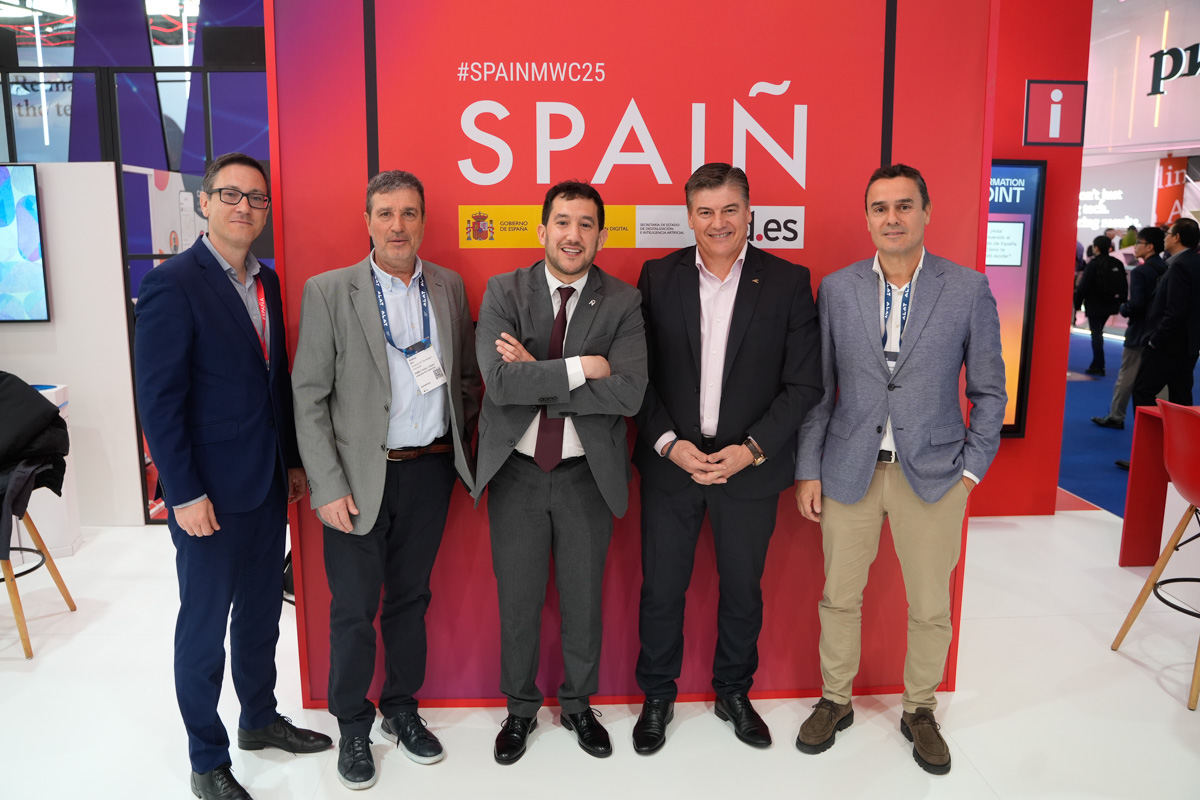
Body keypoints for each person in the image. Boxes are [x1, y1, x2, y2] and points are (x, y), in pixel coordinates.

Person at [794, 164, 1006, 775]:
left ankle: (920, 710)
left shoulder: (967, 289)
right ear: (867, 218)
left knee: (931, 605)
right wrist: (809, 467)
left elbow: (990, 390)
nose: (892, 218)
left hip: (936, 474)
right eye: (880, 207)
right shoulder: (837, 289)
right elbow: (819, 389)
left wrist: (972, 471)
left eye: (904, 206)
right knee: (839, 597)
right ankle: (835, 700)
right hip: (848, 469)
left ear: (926, 212)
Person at [134, 152, 331, 800]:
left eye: (256, 198)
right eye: (230, 195)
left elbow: (275, 383)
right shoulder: (173, 284)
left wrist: (292, 461)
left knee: (260, 617)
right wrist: (183, 491)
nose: (244, 207)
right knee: (204, 628)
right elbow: (158, 401)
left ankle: (259, 719)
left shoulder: (266, 281)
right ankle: (206, 758)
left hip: (265, 483)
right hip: (207, 496)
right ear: (204, 202)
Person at [291, 170, 481, 790]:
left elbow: (465, 381)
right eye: (385, 213)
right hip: (355, 481)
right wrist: (326, 485)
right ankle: (353, 725)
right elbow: (309, 397)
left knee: (410, 600)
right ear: (368, 221)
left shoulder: (448, 287)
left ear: (423, 221)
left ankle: (401, 711)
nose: (397, 226)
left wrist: (460, 451)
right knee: (353, 610)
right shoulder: (330, 291)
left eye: (409, 213)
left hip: (429, 473)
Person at [630, 163, 822, 754]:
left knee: (743, 590)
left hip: (749, 468)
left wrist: (750, 451)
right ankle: (657, 696)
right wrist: (669, 444)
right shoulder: (657, 277)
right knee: (662, 589)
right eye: (706, 211)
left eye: (730, 209)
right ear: (689, 217)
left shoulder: (788, 281)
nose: (719, 222)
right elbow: (638, 375)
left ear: (749, 213)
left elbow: (804, 384)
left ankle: (733, 692)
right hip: (673, 465)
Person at [472, 181, 647, 765]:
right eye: (563, 223)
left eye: (586, 224)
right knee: (518, 602)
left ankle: (577, 705)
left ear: (601, 235)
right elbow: (501, 385)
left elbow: (628, 393)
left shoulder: (622, 301)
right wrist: (582, 367)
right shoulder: (504, 290)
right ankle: (520, 710)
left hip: (585, 475)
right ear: (542, 230)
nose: (574, 235)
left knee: (583, 600)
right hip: (517, 473)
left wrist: (540, 374)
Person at [1092, 227, 1167, 429]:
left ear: (1150, 246)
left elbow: (1137, 303)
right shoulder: (1167, 268)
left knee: (1127, 375)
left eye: (1138, 243)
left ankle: (1116, 415)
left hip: (1139, 331)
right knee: (1157, 380)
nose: (1135, 247)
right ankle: (1162, 420)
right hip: (1160, 332)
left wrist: (1124, 308)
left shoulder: (1142, 271)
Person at [1131, 217, 1200, 408]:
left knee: (1143, 391)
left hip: (1168, 345)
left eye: (1168, 234)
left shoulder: (1180, 266)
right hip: (1188, 345)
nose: (1164, 238)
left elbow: (1174, 311)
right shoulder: (1194, 262)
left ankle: (1152, 430)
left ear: (1177, 237)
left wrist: (1156, 340)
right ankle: (1179, 430)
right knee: (1181, 396)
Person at [1074, 235, 1128, 376]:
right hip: (1111, 304)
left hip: (1094, 304)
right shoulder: (1116, 263)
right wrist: (1121, 302)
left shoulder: (1093, 264)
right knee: (1098, 333)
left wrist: (1077, 304)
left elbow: (1083, 286)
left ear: (1096, 248)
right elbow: (1124, 284)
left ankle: (1099, 365)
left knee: (1096, 334)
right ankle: (1096, 363)